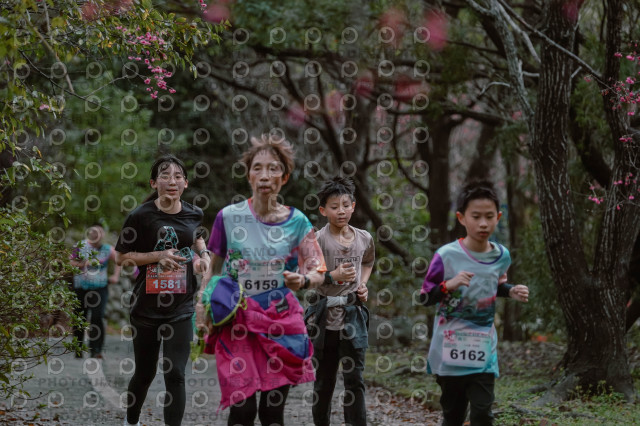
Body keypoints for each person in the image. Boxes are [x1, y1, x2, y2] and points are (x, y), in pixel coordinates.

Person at [195, 134, 326, 426]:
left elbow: (318, 270)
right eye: (257, 168)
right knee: (242, 410)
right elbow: (212, 268)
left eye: (273, 168)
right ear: (248, 174)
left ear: (285, 177)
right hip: (236, 319)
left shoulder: (298, 222)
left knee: (272, 412)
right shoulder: (229, 217)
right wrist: (201, 307)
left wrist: (304, 280)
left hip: (281, 320)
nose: (265, 175)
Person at [419, 180, 529, 426]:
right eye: (476, 216)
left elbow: (492, 285)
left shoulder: (501, 256)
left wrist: (511, 291)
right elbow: (424, 297)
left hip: (483, 350)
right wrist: (449, 284)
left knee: (482, 414)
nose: (483, 223)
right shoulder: (446, 255)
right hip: (449, 349)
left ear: (498, 217)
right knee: (453, 417)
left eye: (489, 217)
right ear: (461, 218)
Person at [115, 154, 209, 426]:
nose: (172, 181)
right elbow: (121, 258)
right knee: (145, 373)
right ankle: (131, 421)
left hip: (181, 306)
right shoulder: (140, 216)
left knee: (175, 373)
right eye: (165, 176)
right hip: (146, 307)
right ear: (154, 183)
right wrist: (157, 256)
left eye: (178, 176)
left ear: (186, 183)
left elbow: (196, 235)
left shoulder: (194, 212)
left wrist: (203, 255)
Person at [305, 176, 374, 426]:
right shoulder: (317, 239)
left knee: (355, 380)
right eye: (334, 206)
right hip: (324, 317)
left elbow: (368, 261)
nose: (341, 211)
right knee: (324, 380)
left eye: (346, 205)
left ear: (353, 206)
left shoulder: (364, 238)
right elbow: (308, 276)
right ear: (323, 210)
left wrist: (362, 284)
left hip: (354, 315)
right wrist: (333, 276)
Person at [70, 223, 120, 358]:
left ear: (103, 235)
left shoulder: (107, 249)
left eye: (100, 232)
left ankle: (96, 350)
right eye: (94, 232)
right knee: (79, 318)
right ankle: (78, 348)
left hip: (100, 288)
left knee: (97, 317)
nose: (97, 235)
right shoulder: (80, 246)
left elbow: (119, 260)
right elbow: (70, 262)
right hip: (81, 287)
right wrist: (82, 264)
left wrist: (115, 275)